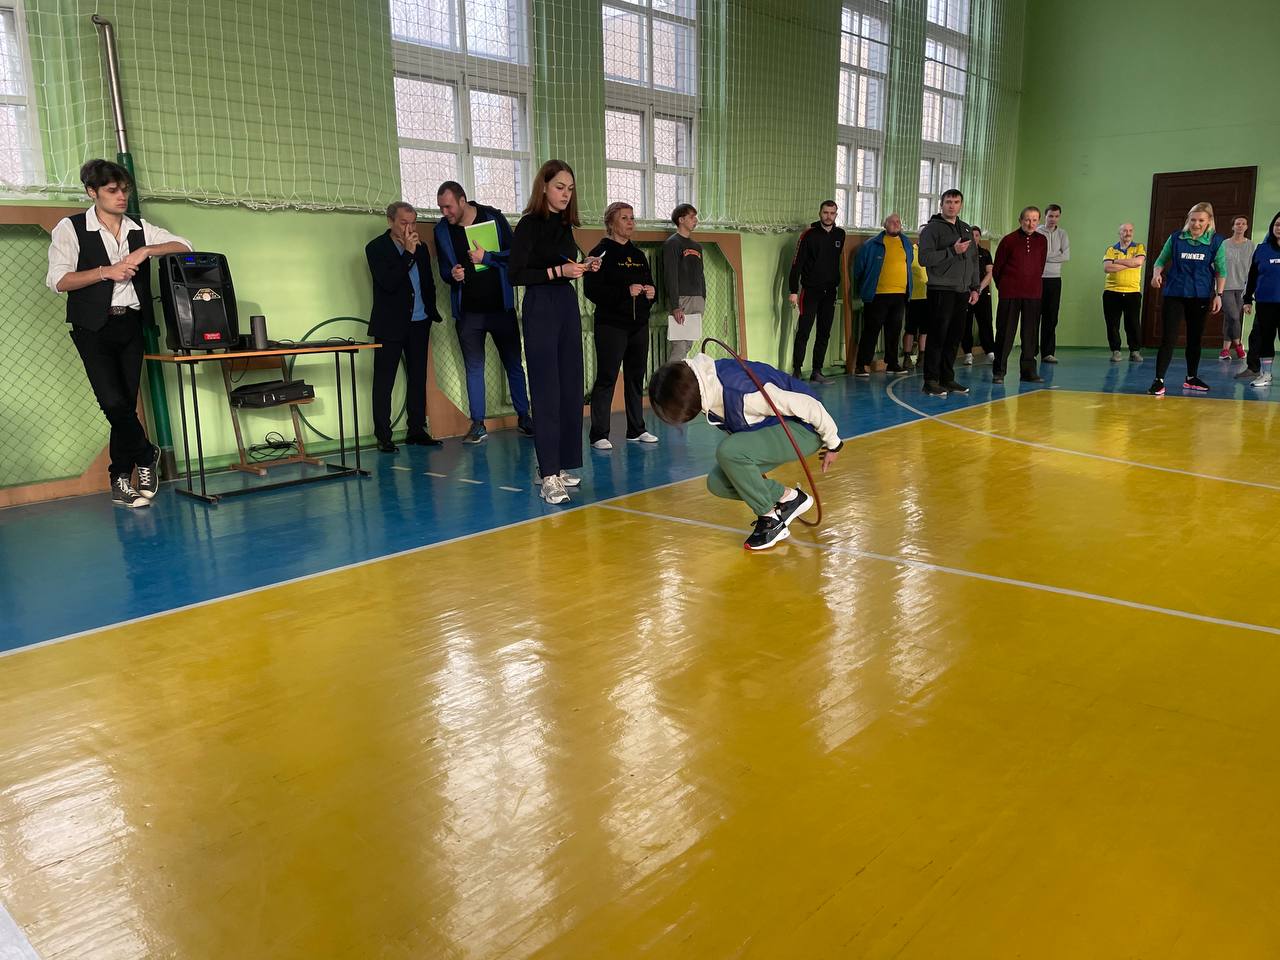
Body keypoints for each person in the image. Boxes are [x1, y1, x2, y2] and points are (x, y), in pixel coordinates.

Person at [45, 159, 192, 508]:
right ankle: (146, 452)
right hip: (92, 327)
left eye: (124, 189)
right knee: (112, 403)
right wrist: (106, 271)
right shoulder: (71, 228)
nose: (121, 196)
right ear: (92, 192)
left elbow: (185, 246)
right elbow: (59, 281)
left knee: (123, 405)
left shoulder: (138, 228)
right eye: (112, 190)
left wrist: (145, 250)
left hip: (132, 324)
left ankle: (119, 479)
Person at [647, 354, 842, 551]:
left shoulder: (743, 392)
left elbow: (808, 405)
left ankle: (771, 521)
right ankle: (789, 498)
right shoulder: (705, 385)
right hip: (776, 428)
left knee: (729, 451)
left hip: (805, 429)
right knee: (718, 483)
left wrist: (834, 444)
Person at [508, 159, 601, 504]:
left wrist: (585, 266)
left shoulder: (564, 225)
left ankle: (558, 465)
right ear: (544, 187)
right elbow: (516, 274)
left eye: (570, 189)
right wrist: (557, 272)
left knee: (570, 387)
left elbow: (565, 265)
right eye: (560, 187)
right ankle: (548, 475)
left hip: (565, 304)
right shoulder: (528, 225)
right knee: (546, 389)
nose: (566, 194)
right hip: (540, 307)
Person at [433, 181, 533, 444]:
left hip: (501, 308)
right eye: (441, 207)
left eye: (448, 206)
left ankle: (524, 417)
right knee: (474, 368)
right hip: (468, 314)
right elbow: (444, 270)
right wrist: (452, 274)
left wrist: (487, 257)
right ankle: (478, 424)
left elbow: (514, 255)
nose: (445, 212)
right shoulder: (441, 230)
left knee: (514, 364)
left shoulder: (493, 217)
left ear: (462, 200)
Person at [366, 201, 444, 453]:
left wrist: (430, 312)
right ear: (390, 221)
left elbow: (427, 282)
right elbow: (388, 282)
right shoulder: (376, 248)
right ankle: (383, 436)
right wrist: (408, 254)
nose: (409, 228)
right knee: (384, 380)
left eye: (413, 222)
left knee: (418, 378)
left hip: (420, 322)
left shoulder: (421, 248)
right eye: (403, 223)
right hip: (389, 324)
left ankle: (416, 430)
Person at [584, 202, 658, 449]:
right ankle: (599, 434)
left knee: (636, 378)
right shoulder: (600, 253)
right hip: (611, 326)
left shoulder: (638, 255)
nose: (630, 222)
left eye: (632, 218)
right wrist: (625, 291)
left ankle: (636, 429)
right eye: (624, 218)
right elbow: (592, 290)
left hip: (639, 326)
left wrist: (651, 293)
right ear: (611, 223)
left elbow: (650, 285)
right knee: (607, 378)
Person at [1147, 201, 1226, 396]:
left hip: (1200, 295)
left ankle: (1191, 378)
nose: (1196, 224)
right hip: (1175, 293)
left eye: (1201, 220)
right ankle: (1158, 380)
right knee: (1168, 338)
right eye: (1193, 220)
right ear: (1188, 220)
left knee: (1194, 338)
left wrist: (1219, 295)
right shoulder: (1176, 238)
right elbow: (1160, 260)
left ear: (1209, 221)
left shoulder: (1216, 241)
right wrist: (1156, 274)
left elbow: (1221, 271)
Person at [917, 189, 980, 397]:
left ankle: (947, 378)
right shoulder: (931, 229)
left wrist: (975, 287)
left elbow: (973, 261)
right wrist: (952, 251)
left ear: (961, 205)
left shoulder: (966, 228)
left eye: (956, 202)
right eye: (948, 202)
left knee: (954, 337)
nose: (952, 205)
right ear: (941, 204)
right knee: (938, 336)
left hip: (962, 291)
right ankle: (930, 381)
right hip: (941, 290)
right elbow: (924, 259)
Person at [787, 200, 845, 383]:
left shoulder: (840, 234)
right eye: (825, 212)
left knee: (824, 332)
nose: (828, 216)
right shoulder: (808, 235)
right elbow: (797, 263)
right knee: (804, 331)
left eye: (832, 213)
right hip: (810, 291)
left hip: (830, 292)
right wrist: (793, 290)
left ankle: (817, 371)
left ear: (836, 215)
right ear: (820, 213)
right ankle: (797, 370)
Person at [991, 206, 1048, 384]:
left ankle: (1028, 372)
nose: (1031, 223)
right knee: (1005, 333)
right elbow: (997, 269)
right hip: (1010, 293)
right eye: (1027, 220)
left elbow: (1040, 265)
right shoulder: (1008, 240)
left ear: (1038, 221)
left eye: (1034, 220)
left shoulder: (1042, 240)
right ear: (1020, 220)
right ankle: (999, 372)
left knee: (1030, 334)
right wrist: (1005, 287)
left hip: (1033, 293)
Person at [851, 212, 912, 377]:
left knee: (894, 331)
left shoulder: (906, 243)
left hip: (899, 295)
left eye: (898, 222)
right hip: (877, 295)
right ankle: (862, 365)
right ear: (884, 225)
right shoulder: (871, 244)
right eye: (892, 222)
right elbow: (859, 269)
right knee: (871, 330)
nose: (896, 224)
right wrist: (865, 287)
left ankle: (892, 363)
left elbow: (909, 263)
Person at [1242, 210, 1280, 388]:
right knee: (1266, 339)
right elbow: (1252, 276)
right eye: (1277, 224)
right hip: (1265, 303)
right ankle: (1266, 374)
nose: (1279, 228)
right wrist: (1247, 299)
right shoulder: (1262, 249)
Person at [662, 203, 704, 363]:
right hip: (681, 299)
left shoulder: (697, 246)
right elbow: (670, 275)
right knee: (679, 347)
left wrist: (703, 297)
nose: (695, 220)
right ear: (681, 220)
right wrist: (675, 305)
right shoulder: (672, 243)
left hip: (697, 299)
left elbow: (701, 274)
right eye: (691, 217)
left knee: (688, 345)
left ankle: (677, 375)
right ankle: (670, 377)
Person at [1102, 223, 1146, 362]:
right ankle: (1116, 351)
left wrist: (1117, 261)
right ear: (1119, 233)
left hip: (1133, 292)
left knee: (1133, 324)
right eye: (1125, 230)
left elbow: (1138, 262)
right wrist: (1129, 263)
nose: (1128, 233)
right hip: (1111, 292)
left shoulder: (1139, 247)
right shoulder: (1111, 249)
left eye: (1130, 230)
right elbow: (1107, 268)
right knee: (1112, 324)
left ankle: (1134, 351)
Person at [1037, 203, 1070, 363]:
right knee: (1034, 316)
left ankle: (1048, 353)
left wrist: (1046, 256)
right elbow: (1037, 256)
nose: (1053, 219)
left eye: (1056, 216)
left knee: (1051, 317)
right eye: (1050, 216)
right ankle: (1031, 351)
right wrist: (1055, 254)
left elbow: (1066, 256)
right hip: (1038, 279)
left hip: (1055, 279)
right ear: (1045, 216)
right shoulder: (1037, 232)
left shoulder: (1063, 234)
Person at [1219, 215, 1253, 361]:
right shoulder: (1224, 244)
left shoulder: (1251, 245)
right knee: (1234, 316)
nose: (1240, 226)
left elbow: (1253, 268)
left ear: (1246, 227)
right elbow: (1217, 264)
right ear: (1233, 227)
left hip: (1242, 287)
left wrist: (1251, 289)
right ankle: (1238, 345)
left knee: (1230, 318)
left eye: (1243, 223)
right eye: (1237, 223)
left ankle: (1225, 350)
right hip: (1226, 286)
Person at [961, 225, 995, 364]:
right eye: (972, 235)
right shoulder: (963, 252)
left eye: (976, 235)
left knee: (985, 322)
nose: (974, 238)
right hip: (966, 292)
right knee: (966, 323)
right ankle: (968, 353)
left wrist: (978, 289)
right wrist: (969, 290)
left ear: (979, 237)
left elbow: (990, 273)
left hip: (982, 292)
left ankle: (990, 351)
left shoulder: (985, 253)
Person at [903, 228, 930, 369]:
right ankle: (907, 357)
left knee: (925, 330)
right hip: (913, 297)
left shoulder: (932, 252)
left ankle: (922, 357)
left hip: (928, 296)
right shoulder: (911, 251)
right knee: (910, 329)